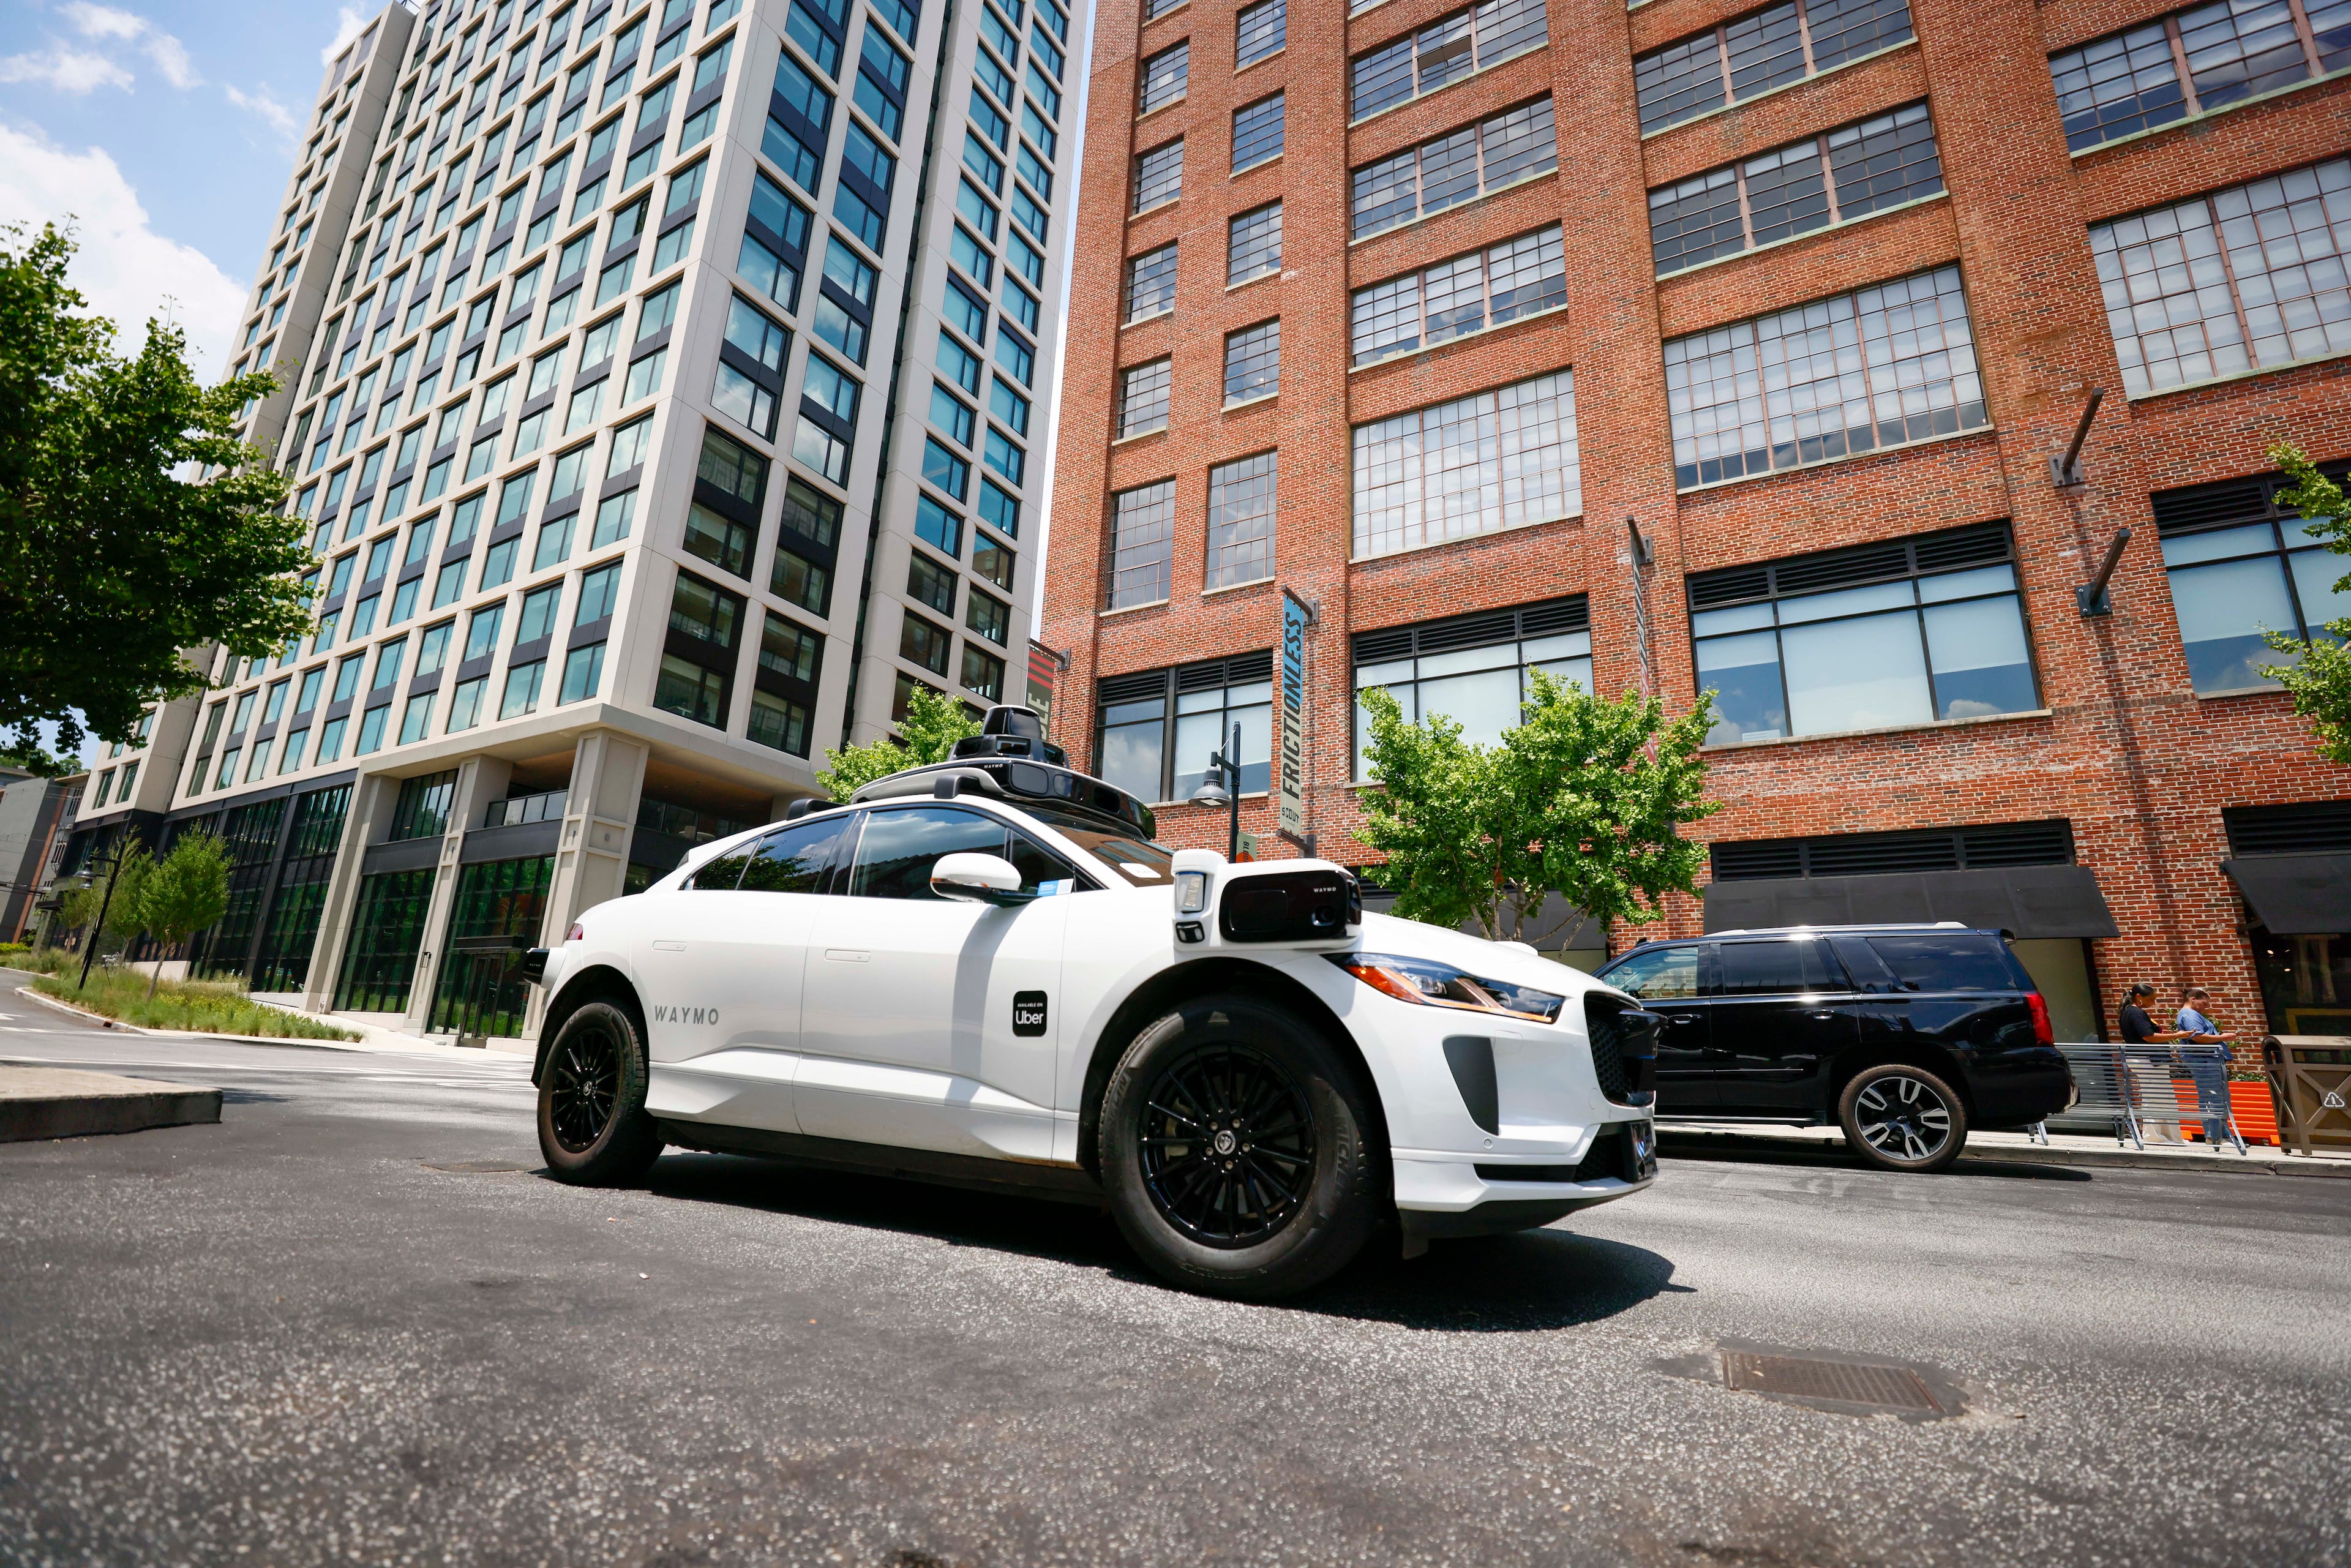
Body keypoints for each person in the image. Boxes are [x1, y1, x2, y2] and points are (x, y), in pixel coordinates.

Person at [2173, 987, 2240, 1148]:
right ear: (2193, 999)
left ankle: (2221, 1135)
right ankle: (2214, 1137)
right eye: (2204, 1003)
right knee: (2212, 1097)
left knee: (2218, 1097)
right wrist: (2223, 1037)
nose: (2206, 1007)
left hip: (2207, 1060)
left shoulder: (2190, 1014)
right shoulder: (2189, 1014)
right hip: (2204, 1061)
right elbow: (2198, 1037)